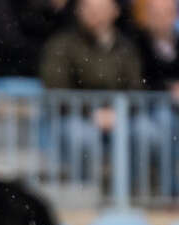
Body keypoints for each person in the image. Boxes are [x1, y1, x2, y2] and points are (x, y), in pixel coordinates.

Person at [41, 0, 145, 178]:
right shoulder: (61, 44)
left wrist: (119, 113)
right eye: (89, 9)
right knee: (81, 137)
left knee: (146, 132)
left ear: (115, 12)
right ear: (78, 11)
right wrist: (92, 112)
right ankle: (85, 191)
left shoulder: (127, 47)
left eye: (101, 9)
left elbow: (136, 88)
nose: (95, 14)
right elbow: (56, 88)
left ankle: (135, 188)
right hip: (74, 116)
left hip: (119, 116)